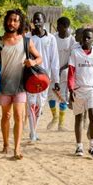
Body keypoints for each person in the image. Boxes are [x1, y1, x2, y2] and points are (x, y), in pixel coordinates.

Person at [0, 9, 42, 160]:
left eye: (15, 20)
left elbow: (39, 58)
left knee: (18, 115)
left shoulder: (26, 41)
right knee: (6, 116)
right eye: (10, 20)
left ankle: (17, 148)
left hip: (20, 86)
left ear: (20, 23)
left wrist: (33, 61)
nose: (12, 23)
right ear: (6, 21)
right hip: (4, 86)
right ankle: (5, 144)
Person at [68, 28, 93, 157]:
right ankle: (79, 146)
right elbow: (71, 73)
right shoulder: (75, 53)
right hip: (78, 89)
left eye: (89, 37)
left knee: (92, 115)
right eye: (84, 37)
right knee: (78, 117)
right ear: (80, 38)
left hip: (91, 89)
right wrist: (71, 88)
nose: (86, 39)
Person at [26, 11, 60, 141]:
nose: (36, 22)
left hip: (45, 77)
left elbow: (54, 60)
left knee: (40, 105)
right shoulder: (28, 37)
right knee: (31, 103)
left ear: (44, 21)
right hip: (31, 75)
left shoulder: (51, 39)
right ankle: (33, 133)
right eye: (34, 19)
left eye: (39, 19)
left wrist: (56, 80)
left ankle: (33, 130)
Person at [47, 16, 76, 131]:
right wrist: (53, 69)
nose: (57, 28)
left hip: (64, 72)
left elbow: (71, 58)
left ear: (66, 27)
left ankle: (61, 124)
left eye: (59, 26)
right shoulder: (53, 38)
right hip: (51, 71)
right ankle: (54, 117)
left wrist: (61, 69)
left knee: (63, 96)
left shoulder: (72, 41)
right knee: (51, 95)